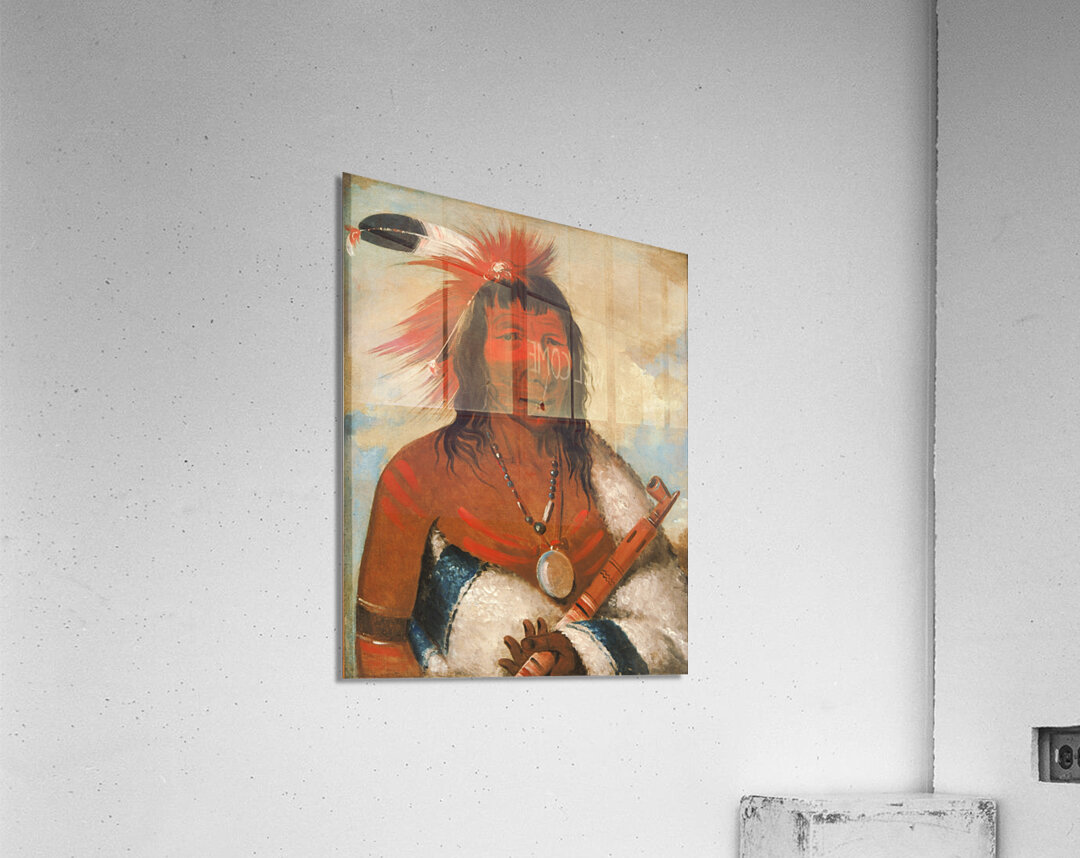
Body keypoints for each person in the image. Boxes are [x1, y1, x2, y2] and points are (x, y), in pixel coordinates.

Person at [352, 223, 687, 677]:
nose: (537, 364)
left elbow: (672, 630)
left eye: (552, 342)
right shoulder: (414, 477)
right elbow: (380, 647)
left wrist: (581, 656)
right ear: (474, 354)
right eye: (511, 338)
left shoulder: (608, 480)